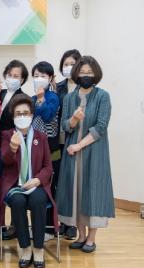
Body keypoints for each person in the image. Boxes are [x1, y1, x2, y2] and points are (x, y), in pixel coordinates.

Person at [56, 56, 114, 253]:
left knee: (92, 192)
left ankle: (91, 238)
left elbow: (101, 127)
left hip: (93, 151)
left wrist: (79, 145)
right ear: (76, 74)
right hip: (73, 153)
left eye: (89, 72)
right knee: (76, 193)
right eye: (82, 72)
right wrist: (73, 119)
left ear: (96, 74)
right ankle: (80, 236)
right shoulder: (69, 98)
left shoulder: (103, 96)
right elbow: (64, 126)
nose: (86, 75)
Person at [0, 94, 57, 268]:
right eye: (18, 113)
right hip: (15, 185)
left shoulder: (41, 136)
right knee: (17, 201)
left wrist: (38, 180)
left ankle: (38, 248)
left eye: (25, 113)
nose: (22, 116)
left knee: (38, 200)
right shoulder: (7, 135)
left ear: (31, 115)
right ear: (13, 116)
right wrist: (13, 147)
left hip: (36, 183)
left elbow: (48, 166)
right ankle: (25, 247)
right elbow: (5, 161)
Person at [0, 59, 29, 240]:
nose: (12, 78)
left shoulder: (23, 98)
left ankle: (15, 225)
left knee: (14, 184)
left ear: (22, 79)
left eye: (16, 76)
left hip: (13, 143)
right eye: (9, 75)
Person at [31, 61, 61, 240]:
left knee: (50, 189)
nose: (39, 78)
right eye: (36, 76)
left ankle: (50, 229)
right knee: (37, 189)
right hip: (35, 148)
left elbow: (48, 116)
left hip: (50, 148)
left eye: (43, 76)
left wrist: (41, 99)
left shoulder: (53, 97)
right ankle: (37, 227)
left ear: (50, 78)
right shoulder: (32, 98)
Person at [55, 49, 82, 240]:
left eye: (72, 64)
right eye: (66, 64)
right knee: (58, 181)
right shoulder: (57, 87)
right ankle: (60, 221)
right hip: (58, 141)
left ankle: (71, 224)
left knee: (73, 182)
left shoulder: (85, 88)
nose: (69, 67)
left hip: (76, 141)